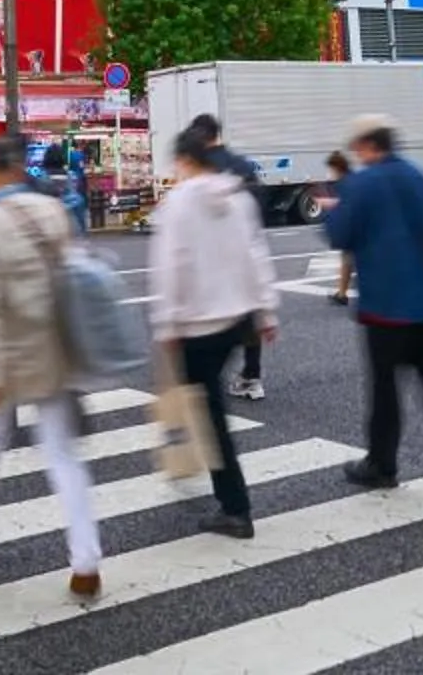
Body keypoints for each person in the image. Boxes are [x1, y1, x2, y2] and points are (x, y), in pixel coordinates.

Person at [0, 135, 102, 598]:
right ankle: (86, 562)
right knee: (63, 457)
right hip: (55, 349)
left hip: (6, 354)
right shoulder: (54, 212)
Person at [321, 115, 423, 512]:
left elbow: (339, 236)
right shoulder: (416, 177)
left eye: (357, 146)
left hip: (386, 306)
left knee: (384, 391)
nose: (356, 154)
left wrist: (332, 207)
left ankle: (382, 463)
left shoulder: (362, 183)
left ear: (367, 144)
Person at [147, 125, 279, 538]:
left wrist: (166, 322)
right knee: (209, 403)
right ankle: (215, 486)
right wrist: (266, 310)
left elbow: (171, 266)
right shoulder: (238, 198)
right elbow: (254, 253)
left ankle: (234, 506)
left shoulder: (179, 204)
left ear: (184, 161)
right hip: (238, 317)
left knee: (207, 409)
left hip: (197, 323)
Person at [183, 115, 269, 397]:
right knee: (248, 318)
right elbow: (259, 206)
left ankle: (205, 384)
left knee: (213, 323)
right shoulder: (242, 165)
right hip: (245, 255)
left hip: (210, 259)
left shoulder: (202, 169)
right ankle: (252, 376)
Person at [324, 150, 356, 307]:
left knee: (350, 260)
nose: (330, 173)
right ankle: (342, 293)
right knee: (347, 261)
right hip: (354, 230)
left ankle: (343, 294)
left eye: (331, 169)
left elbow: (345, 207)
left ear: (337, 167)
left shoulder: (346, 182)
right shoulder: (351, 179)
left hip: (355, 231)